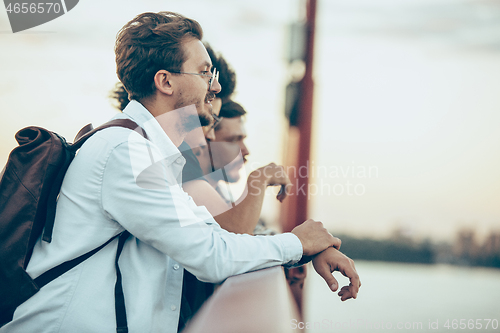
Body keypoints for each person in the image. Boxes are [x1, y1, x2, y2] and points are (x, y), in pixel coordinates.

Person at [0, 12, 360, 333]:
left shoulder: (148, 151)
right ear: (165, 82)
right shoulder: (126, 151)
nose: (214, 86)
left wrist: (304, 248)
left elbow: (208, 235)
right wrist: (299, 243)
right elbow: (210, 254)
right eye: (205, 73)